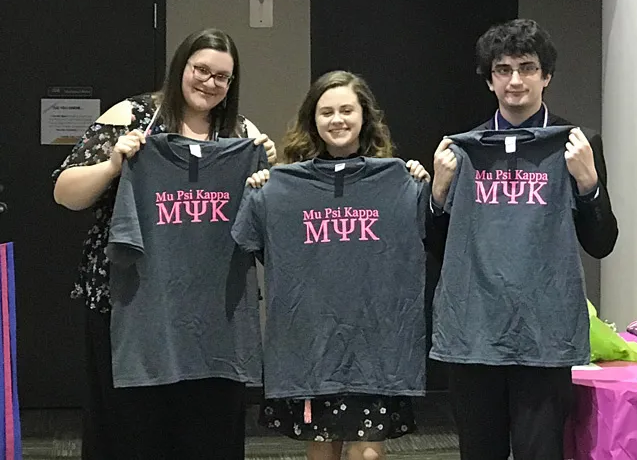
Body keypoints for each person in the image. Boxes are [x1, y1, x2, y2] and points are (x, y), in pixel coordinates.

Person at [52, 28, 276, 460]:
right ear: (181, 68)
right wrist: (114, 164)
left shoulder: (239, 133)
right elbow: (65, 192)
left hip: (210, 311)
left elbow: (269, 216)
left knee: (205, 429)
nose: (209, 83)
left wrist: (270, 170)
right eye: (201, 70)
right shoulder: (132, 115)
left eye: (222, 77)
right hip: (129, 303)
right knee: (131, 429)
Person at [429, 19, 618, 460]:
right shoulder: (461, 151)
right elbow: (434, 244)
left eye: (527, 67)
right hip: (475, 333)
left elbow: (602, 242)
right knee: (480, 451)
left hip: (543, 334)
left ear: (546, 76)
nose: (516, 80)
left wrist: (589, 183)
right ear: (490, 79)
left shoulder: (577, 144)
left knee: (540, 452)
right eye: (503, 69)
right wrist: (438, 192)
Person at [247, 70, 429, 460]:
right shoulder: (282, 187)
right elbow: (262, 247)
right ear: (313, 120)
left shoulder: (398, 181)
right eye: (326, 111)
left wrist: (420, 184)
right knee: (322, 451)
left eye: (347, 109)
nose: (337, 119)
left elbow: (431, 228)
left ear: (364, 115)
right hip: (314, 344)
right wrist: (264, 192)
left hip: (376, 344)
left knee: (368, 454)